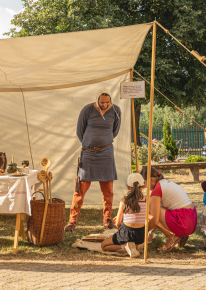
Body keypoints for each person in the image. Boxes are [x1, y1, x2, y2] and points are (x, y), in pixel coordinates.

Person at [65, 88, 121, 231]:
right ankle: (72, 221)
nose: (105, 105)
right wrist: (90, 143)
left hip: (106, 153)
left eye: (107, 102)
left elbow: (115, 131)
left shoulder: (116, 111)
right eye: (102, 102)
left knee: (108, 190)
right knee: (80, 189)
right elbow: (80, 131)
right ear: (97, 100)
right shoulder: (87, 110)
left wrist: (103, 141)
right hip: (89, 154)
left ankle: (108, 220)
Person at [141, 167, 197, 251]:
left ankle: (172, 236)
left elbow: (154, 220)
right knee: (151, 205)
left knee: (149, 207)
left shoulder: (157, 190)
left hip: (183, 222)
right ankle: (173, 236)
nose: (144, 186)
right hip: (191, 220)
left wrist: (142, 232)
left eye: (144, 182)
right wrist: (151, 233)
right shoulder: (164, 183)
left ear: (150, 179)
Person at [101, 173, 146, 258]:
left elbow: (118, 223)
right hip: (141, 234)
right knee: (136, 243)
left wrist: (121, 233)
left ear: (128, 187)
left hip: (126, 232)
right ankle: (134, 246)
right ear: (143, 186)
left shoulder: (124, 200)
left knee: (104, 246)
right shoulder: (147, 200)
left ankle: (124, 246)